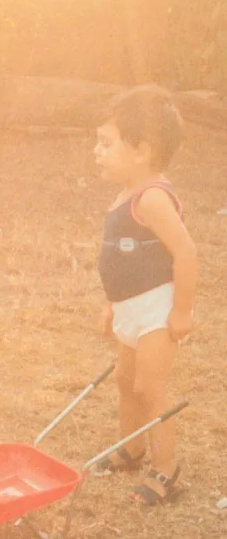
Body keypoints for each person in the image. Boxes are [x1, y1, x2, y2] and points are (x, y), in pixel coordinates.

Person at [94, 84, 197, 505]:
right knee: (124, 381)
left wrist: (182, 312)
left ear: (142, 150)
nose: (96, 151)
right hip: (130, 309)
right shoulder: (127, 193)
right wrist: (112, 305)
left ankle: (166, 472)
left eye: (106, 143)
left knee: (149, 388)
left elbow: (186, 251)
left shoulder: (152, 198)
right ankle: (131, 449)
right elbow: (122, 261)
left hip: (156, 311)